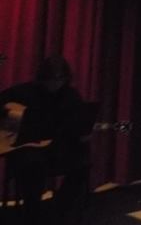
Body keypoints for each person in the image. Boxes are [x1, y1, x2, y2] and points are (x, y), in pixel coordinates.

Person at [0, 55, 90, 225]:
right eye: (51, 79)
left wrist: (83, 133)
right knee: (33, 164)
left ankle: (60, 209)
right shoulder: (25, 91)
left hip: (55, 148)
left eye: (60, 79)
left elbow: (77, 124)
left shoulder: (70, 95)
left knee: (82, 163)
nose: (55, 83)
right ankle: (32, 213)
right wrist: (11, 119)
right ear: (42, 78)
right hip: (26, 148)